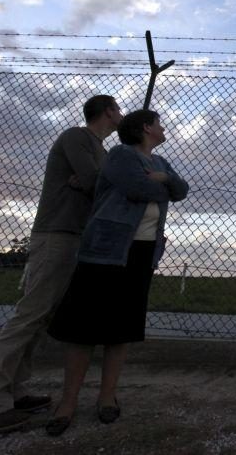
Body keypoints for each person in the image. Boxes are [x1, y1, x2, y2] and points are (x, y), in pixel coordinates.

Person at [0, 95, 123, 434]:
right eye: (118, 109)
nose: (121, 114)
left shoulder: (104, 151)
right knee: (29, 316)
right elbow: (100, 184)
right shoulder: (77, 137)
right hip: (56, 235)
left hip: (74, 238)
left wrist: (89, 182)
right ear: (108, 111)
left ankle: (14, 391)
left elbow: (102, 186)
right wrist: (91, 181)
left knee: (39, 320)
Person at [45, 109, 188, 436]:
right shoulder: (121, 155)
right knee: (83, 329)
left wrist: (165, 180)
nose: (163, 128)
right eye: (159, 123)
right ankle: (67, 402)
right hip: (106, 250)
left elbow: (181, 190)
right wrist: (162, 187)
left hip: (141, 253)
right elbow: (139, 189)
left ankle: (107, 397)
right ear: (145, 128)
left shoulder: (161, 164)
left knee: (120, 329)